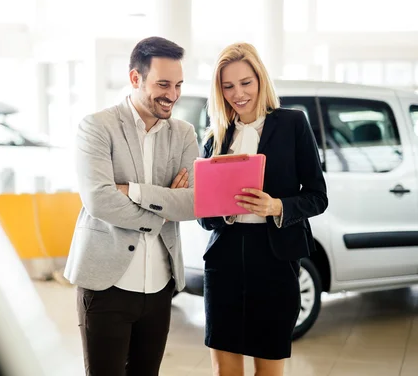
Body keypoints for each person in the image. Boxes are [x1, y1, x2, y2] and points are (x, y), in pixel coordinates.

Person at [64, 36, 200, 376]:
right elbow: (100, 200)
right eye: (163, 84)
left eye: (179, 84)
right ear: (135, 78)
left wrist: (134, 190)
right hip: (105, 285)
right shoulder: (97, 127)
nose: (173, 94)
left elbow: (194, 203)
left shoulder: (184, 134)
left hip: (159, 287)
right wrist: (165, 203)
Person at [198, 42, 328, 376]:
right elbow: (206, 217)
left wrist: (277, 205)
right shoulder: (216, 138)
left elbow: (318, 196)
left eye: (245, 83)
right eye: (228, 86)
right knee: (225, 369)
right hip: (225, 258)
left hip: (274, 258)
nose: (238, 93)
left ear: (260, 80)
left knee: (268, 367)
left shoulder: (292, 124)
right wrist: (222, 210)